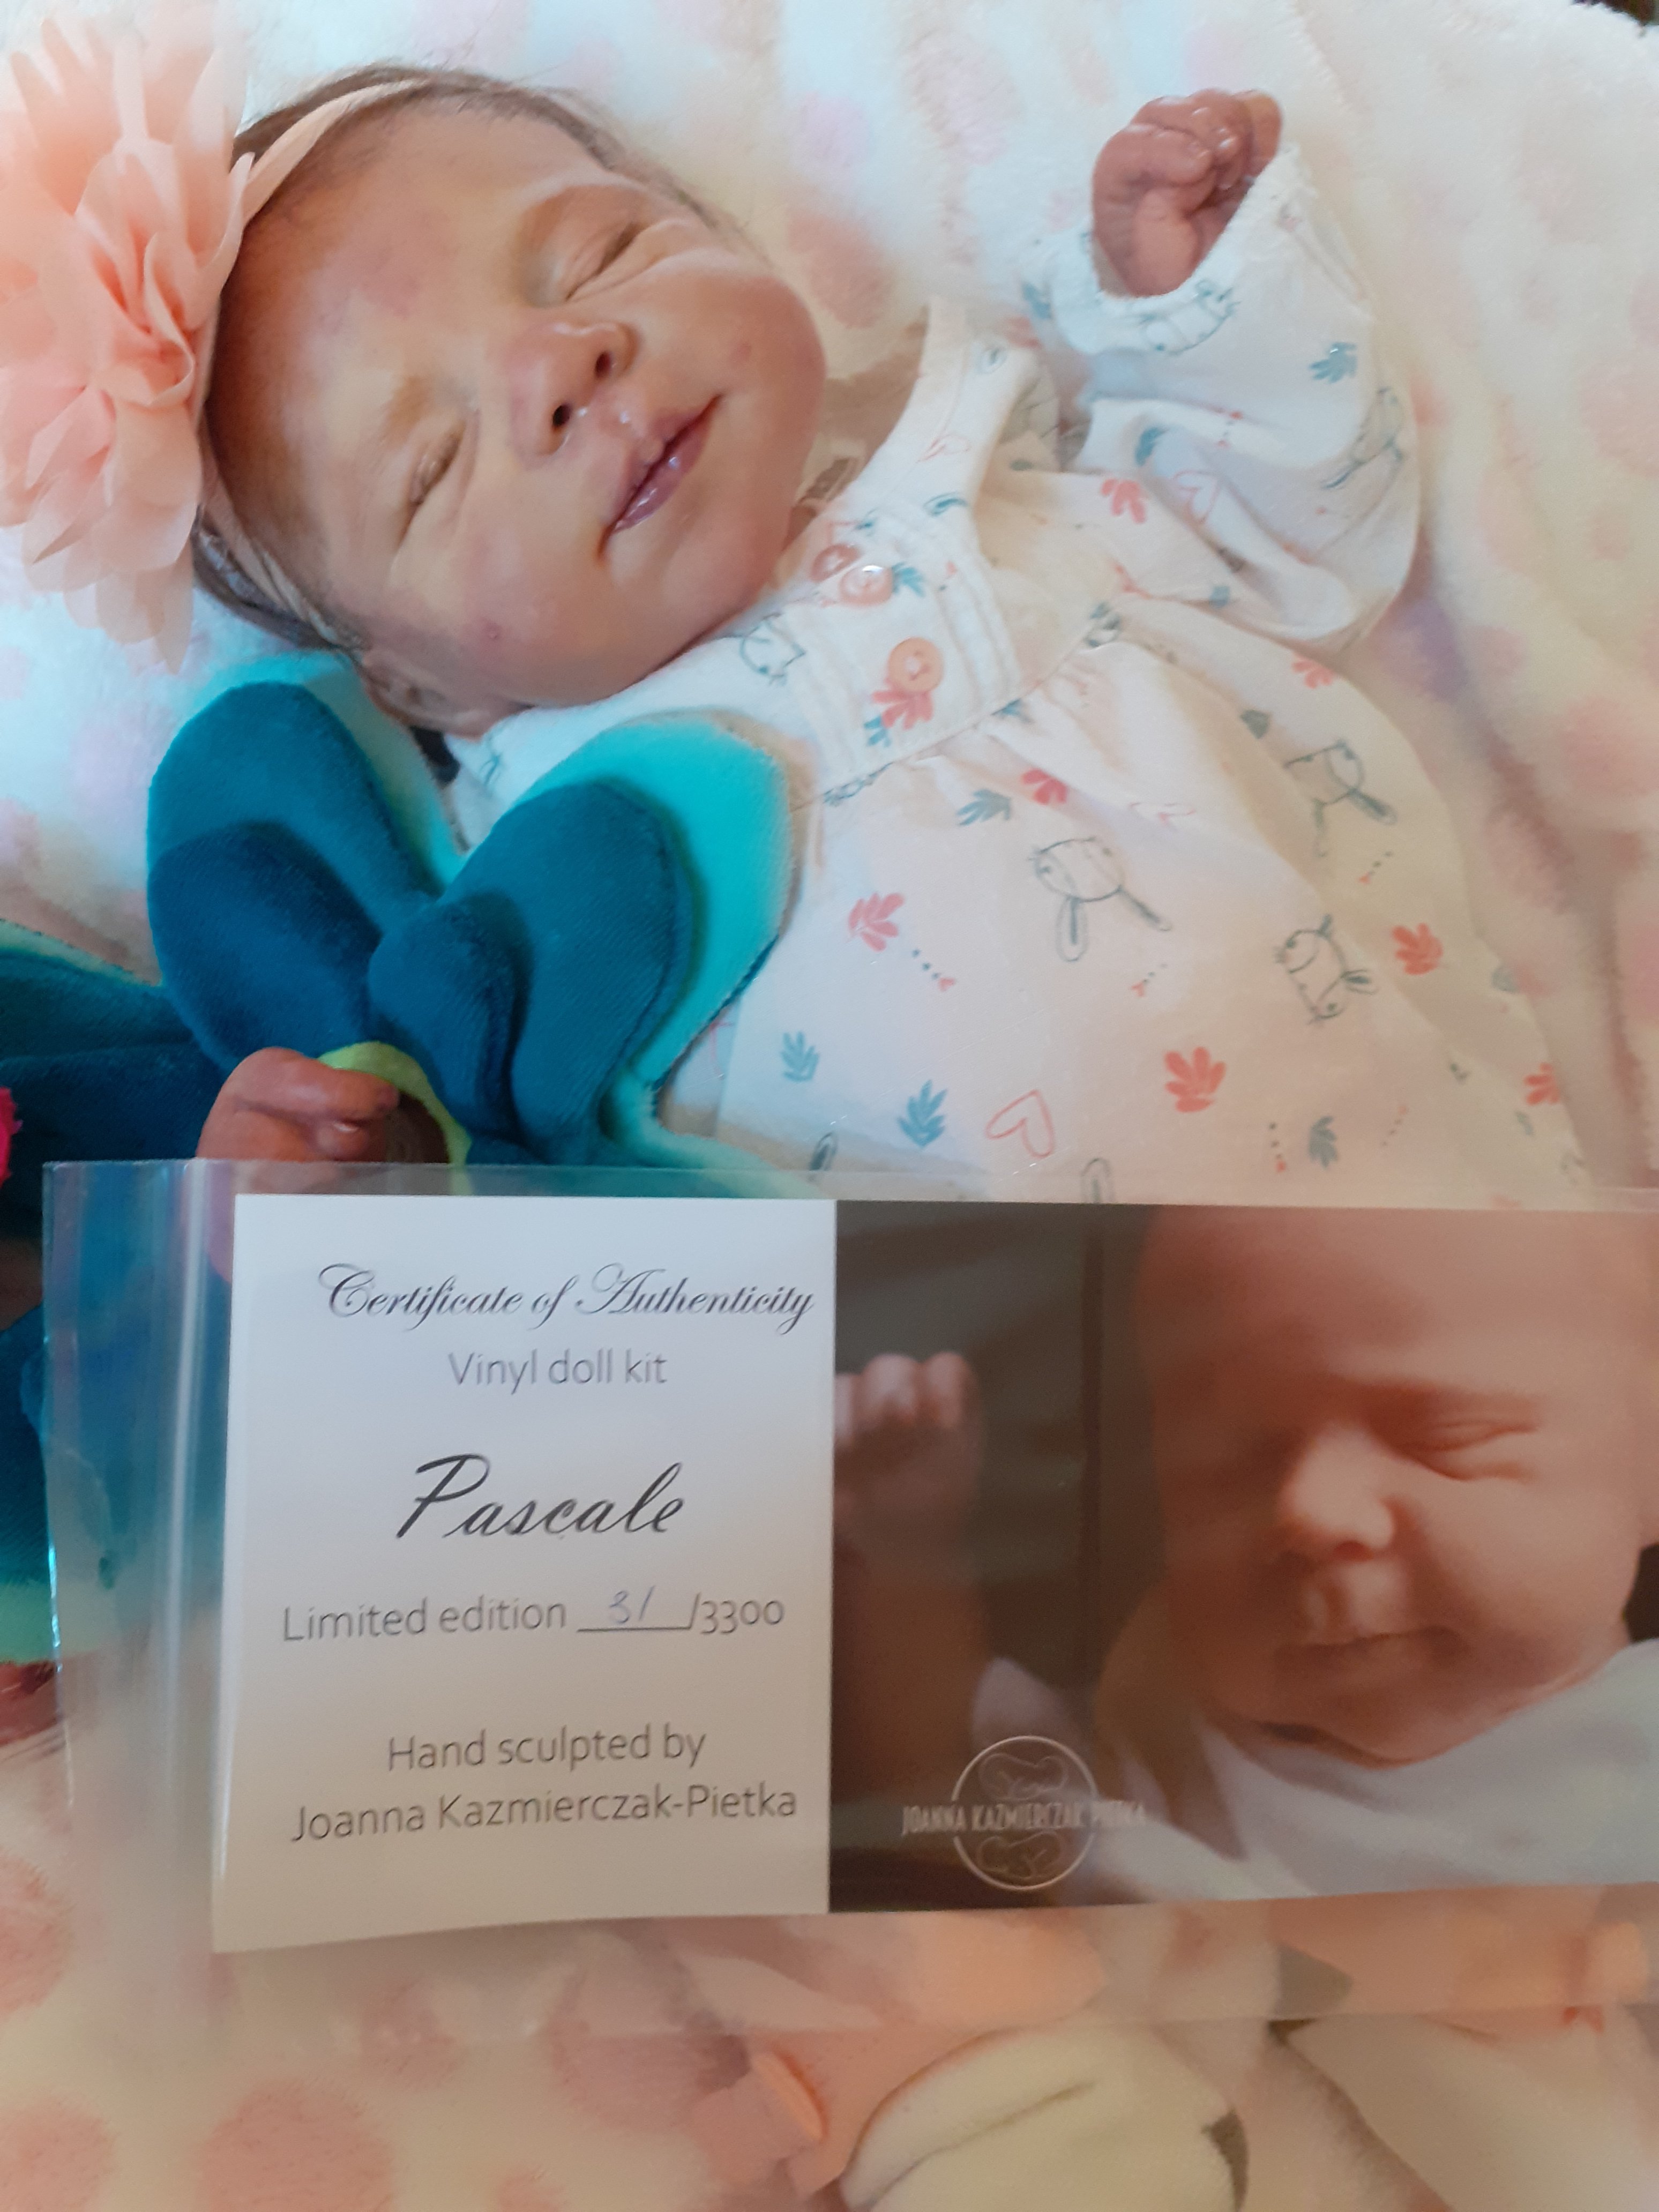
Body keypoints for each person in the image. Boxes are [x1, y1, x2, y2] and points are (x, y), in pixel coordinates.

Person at [0, 26, 1582, 1199]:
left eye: (598, 254)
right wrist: (344, 1164)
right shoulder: (522, 890)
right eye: (434, 461)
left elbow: (1287, 541)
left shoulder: (987, 492)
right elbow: (506, 1230)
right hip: (977, 1482)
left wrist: (1194, 307)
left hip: (1438, 1268)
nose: (561, 367)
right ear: (420, 685)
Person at [839, 1208, 1659, 1897]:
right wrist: (907, 1547)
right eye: (1228, 1465)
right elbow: (945, 1792)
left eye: (1444, 1434)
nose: (1306, 1508)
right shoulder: (1167, 1719)